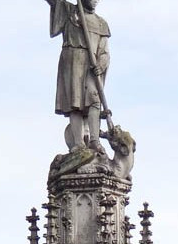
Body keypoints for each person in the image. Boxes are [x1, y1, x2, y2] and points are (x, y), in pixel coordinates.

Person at [44, 0, 110, 152]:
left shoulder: (101, 23)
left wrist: (101, 63)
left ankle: (94, 140)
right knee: (75, 101)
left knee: (94, 99)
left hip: (92, 64)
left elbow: (105, 50)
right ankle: (78, 143)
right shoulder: (69, 10)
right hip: (72, 58)